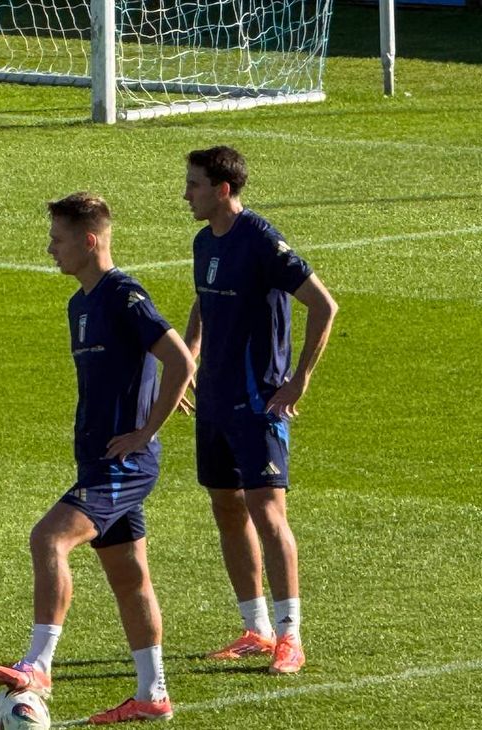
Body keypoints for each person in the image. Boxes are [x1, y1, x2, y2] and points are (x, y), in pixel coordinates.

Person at [0, 193, 196, 724]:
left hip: (123, 463)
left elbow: (178, 358)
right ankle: (153, 694)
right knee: (130, 578)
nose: (49, 249)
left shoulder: (123, 295)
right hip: (97, 461)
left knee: (49, 538)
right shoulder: (79, 303)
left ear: (88, 240)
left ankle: (38, 664)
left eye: (58, 240)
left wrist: (148, 429)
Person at [182, 146, 338, 675]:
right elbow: (204, 298)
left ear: (223, 189)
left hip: (257, 401)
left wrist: (300, 378)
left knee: (268, 512)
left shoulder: (262, 241)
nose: (187, 194)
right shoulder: (205, 240)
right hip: (214, 401)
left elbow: (323, 304)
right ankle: (256, 629)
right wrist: (188, 358)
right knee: (226, 506)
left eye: (195, 185)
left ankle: (291, 636)